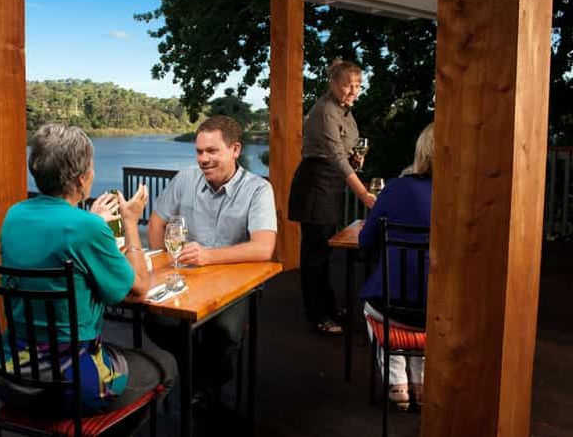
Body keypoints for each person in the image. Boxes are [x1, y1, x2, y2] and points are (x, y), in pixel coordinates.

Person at [0, 124, 177, 416]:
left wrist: (89, 218)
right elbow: (139, 288)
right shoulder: (86, 227)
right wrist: (130, 221)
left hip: (13, 371)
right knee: (166, 364)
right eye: (92, 166)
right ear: (82, 179)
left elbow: (57, 238)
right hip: (69, 381)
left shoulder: (14, 215)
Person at [146, 115, 277, 406]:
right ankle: (200, 371)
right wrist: (162, 265)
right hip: (187, 278)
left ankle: (205, 381)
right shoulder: (185, 179)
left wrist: (208, 256)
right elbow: (157, 223)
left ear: (235, 150)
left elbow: (264, 248)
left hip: (236, 284)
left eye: (212, 151)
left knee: (224, 332)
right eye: (199, 151)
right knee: (155, 320)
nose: (203, 159)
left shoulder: (258, 189)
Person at [288, 59, 376, 335]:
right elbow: (335, 157)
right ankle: (317, 315)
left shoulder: (345, 111)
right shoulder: (325, 110)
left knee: (324, 252)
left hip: (332, 183)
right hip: (316, 184)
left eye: (358, 85)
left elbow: (344, 152)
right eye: (348, 85)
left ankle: (326, 304)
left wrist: (356, 157)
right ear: (333, 84)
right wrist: (363, 194)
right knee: (315, 255)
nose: (353, 91)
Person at [358, 122, 434, 410]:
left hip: (391, 309)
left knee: (373, 307)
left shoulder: (398, 188)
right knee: (426, 299)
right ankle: (420, 379)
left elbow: (366, 241)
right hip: (443, 313)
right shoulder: (463, 197)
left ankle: (395, 379)